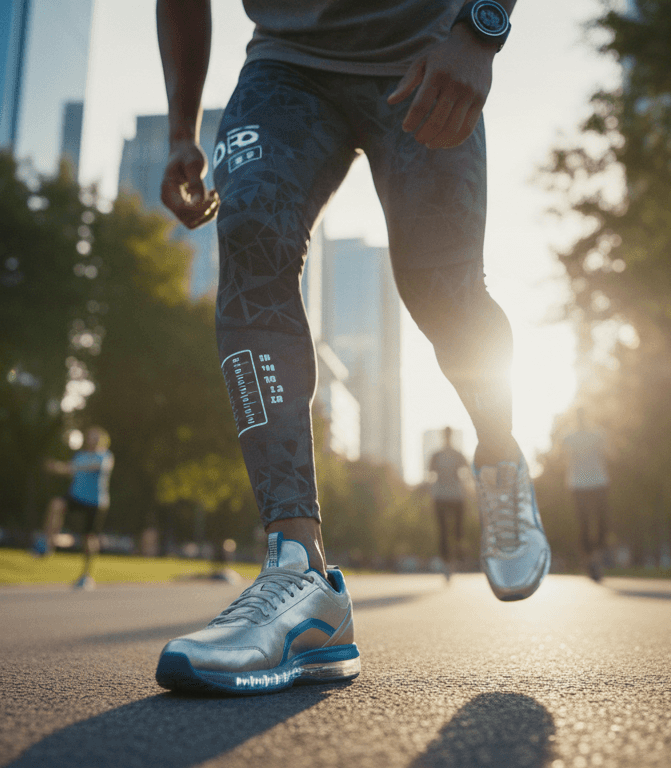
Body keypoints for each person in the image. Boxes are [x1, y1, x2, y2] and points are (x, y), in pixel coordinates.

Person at [154, 0, 550, 695]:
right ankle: (299, 573)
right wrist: (181, 129)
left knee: (441, 292)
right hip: (285, 67)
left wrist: (479, 31)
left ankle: (500, 453)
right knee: (250, 235)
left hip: (427, 53)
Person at [46, 427, 114, 590]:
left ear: (102, 440)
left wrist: (74, 467)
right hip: (76, 497)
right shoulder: (80, 456)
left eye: (96, 437)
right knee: (56, 504)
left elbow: (95, 466)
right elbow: (68, 469)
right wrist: (56, 467)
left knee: (88, 538)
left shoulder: (105, 456)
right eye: (91, 436)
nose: (93, 439)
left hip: (95, 502)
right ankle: (47, 545)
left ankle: (86, 576)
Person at [560, 408, 609, 582]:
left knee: (602, 522)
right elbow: (563, 458)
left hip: (598, 483)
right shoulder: (569, 438)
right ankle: (590, 559)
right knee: (585, 523)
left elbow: (609, 453)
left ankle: (596, 555)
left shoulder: (598, 435)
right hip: (578, 485)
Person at [428, 426, 470, 582]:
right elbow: (431, 474)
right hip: (440, 496)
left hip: (456, 495)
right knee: (443, 531)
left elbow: (467, 472)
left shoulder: (458, 454)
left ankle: (457, 556)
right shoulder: (436, 455)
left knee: (458, 529)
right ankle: (447, 562)